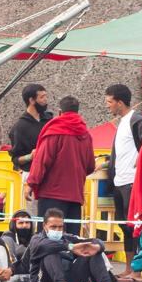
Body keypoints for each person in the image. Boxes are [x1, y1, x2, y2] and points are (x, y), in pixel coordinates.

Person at [26, 96, 96, 234]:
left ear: (59, 112)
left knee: (47, 238)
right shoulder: (85, 134)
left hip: (51, 195)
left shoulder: (55, 130)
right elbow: (90, 166)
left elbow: (41, 160)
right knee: (70, 240)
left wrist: (31, 183)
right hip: (75, 196)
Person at [105, 83, 142, 281]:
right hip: (119, 181)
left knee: (135, 226)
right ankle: (128, 267)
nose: (108, 106)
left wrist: (139, 161)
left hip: (132, 182)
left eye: (109, 102)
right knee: (125, 226)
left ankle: (138, 270)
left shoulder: (137, 119)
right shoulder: (122, 121)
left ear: (120, 102)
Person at [27, 208, 121, 282]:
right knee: (51, 251)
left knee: (91, 251)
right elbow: (46, 245)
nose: (57, 230)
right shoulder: (36, 239)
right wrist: (70, 247)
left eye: (60, 227)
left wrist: (98, 247)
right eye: (53, 227)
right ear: (44, 226)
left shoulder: (67, 238)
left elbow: (94, 241)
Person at [10, 84, 53, 215]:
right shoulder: (20, 127)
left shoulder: (49, 120)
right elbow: (16, 159)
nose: (45, 99)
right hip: (31, 174)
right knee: (34, 215)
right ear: (31, 100)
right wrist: (31, 156)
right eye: (42, 97)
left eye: (45, 96)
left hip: (51, 173)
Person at [2, 209, 33, 282]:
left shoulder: (34, 237)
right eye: (21, 223)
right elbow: (16, 252)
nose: (24, 225)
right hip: (14, 269)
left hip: (30, 268)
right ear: (14, 224)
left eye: (27, 222)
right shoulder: (8, 236)